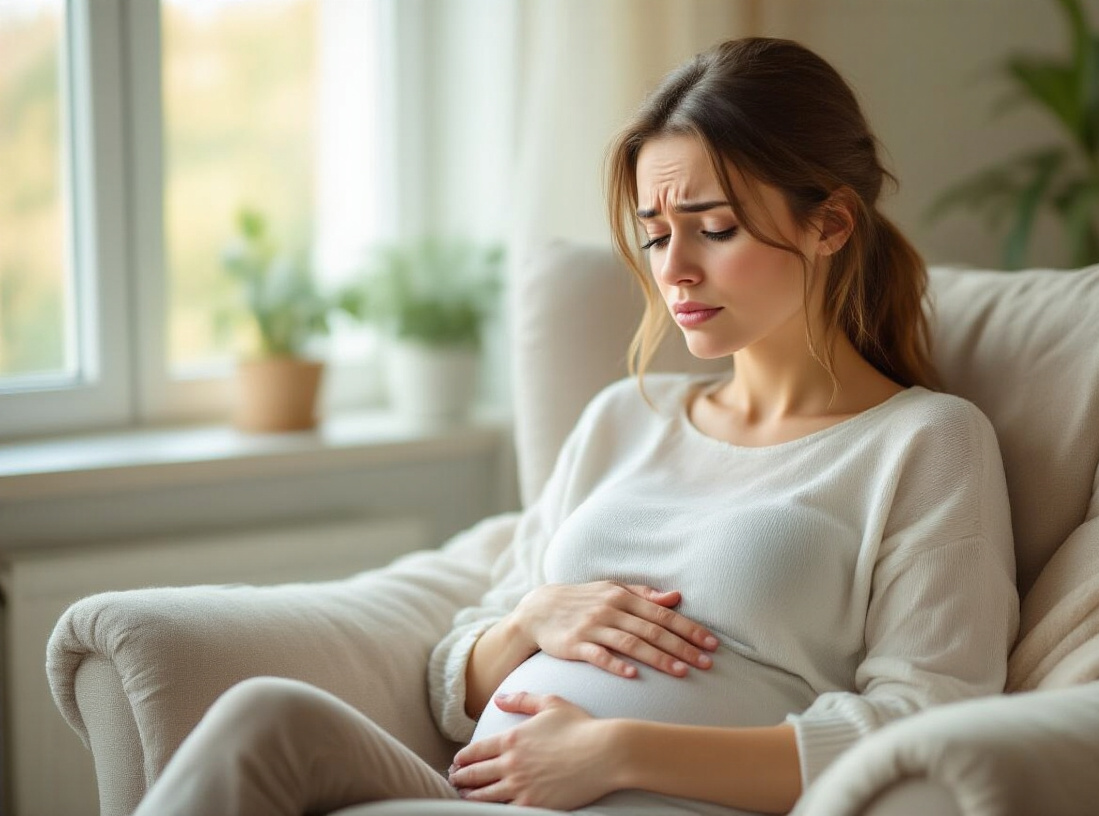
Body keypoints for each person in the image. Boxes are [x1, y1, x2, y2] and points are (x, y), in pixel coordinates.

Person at [133, 36, 1018, 816]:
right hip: (479, 792)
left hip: (658, 801)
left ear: (829, 223)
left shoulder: (925, 443)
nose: (676, 271)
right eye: (655, 234)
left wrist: (615, 751)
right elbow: (453, 680)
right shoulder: (619, 422)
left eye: (712, 229)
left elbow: (926, 726)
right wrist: (530, 619)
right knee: (262, 718)